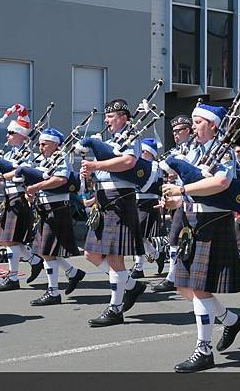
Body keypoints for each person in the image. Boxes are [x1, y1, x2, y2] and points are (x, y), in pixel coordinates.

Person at [161, 103, 240, 373]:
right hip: (193, 221)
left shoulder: (223, 154)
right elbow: (190, 194)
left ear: (212, 125)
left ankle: (204, 349)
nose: (194, 126)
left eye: (199, 121)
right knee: (183, 286)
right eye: (194, 121)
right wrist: (174, 201)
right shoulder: (194, 152)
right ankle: (230, 319)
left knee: (198, 288)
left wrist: (182, 188)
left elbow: (221, 184)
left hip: (213, 223)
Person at [80, 99, 147, 326]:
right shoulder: (111, 142)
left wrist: (96, 166)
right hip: (103, 200)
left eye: (111, 116)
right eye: (106, 117)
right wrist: (91, 173)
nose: (106, 120)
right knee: (91, 254)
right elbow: (107, 169)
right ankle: (131, 285)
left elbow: (128, 162)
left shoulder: (131, 138)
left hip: (120, 200)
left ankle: (115, 308)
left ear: (123, 117)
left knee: (115, 258)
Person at [24, 128, 87, 306]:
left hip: (57, 208)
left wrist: (37, 187)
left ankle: (53, 292)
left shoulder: (60, 158)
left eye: (44, 144)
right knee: (48, 251)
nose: (40, 147)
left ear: (54, 144)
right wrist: (31, 192)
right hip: (45, 208)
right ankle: (73, 273)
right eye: (39, 144)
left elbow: (61, 179)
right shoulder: (43, 161)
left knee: (46, 252)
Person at [0, 105, 44, 291]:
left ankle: (13, 278)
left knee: (10, 240)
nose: (7, 135)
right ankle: (34, 261)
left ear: (21, 134)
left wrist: (2, 176)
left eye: (11, 132)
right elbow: (10, 179)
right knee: (6, 240)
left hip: (19, 199)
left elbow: (22, 176)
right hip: (9, 198)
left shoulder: (28, 155)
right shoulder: (10, 154)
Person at [154, 115, 194, 293]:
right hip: (179, 198)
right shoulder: (175, 151)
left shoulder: (194, 149)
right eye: (173, 132)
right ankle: (173, 275)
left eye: (178, 131)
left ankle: (175, 276)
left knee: (178, 237)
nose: (175, 135)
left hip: (192, 197)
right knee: (174, 237)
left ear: (187, 130)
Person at [130, 137, 162, 279]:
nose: (141, 153)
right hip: (135, 201)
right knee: (140, 236)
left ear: (151, 153)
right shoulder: (137, 165)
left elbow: (156, 187)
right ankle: (157, 255)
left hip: (148, 202)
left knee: (138, 235)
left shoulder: (155, 167)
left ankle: (139, 267)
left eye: (144, 151)